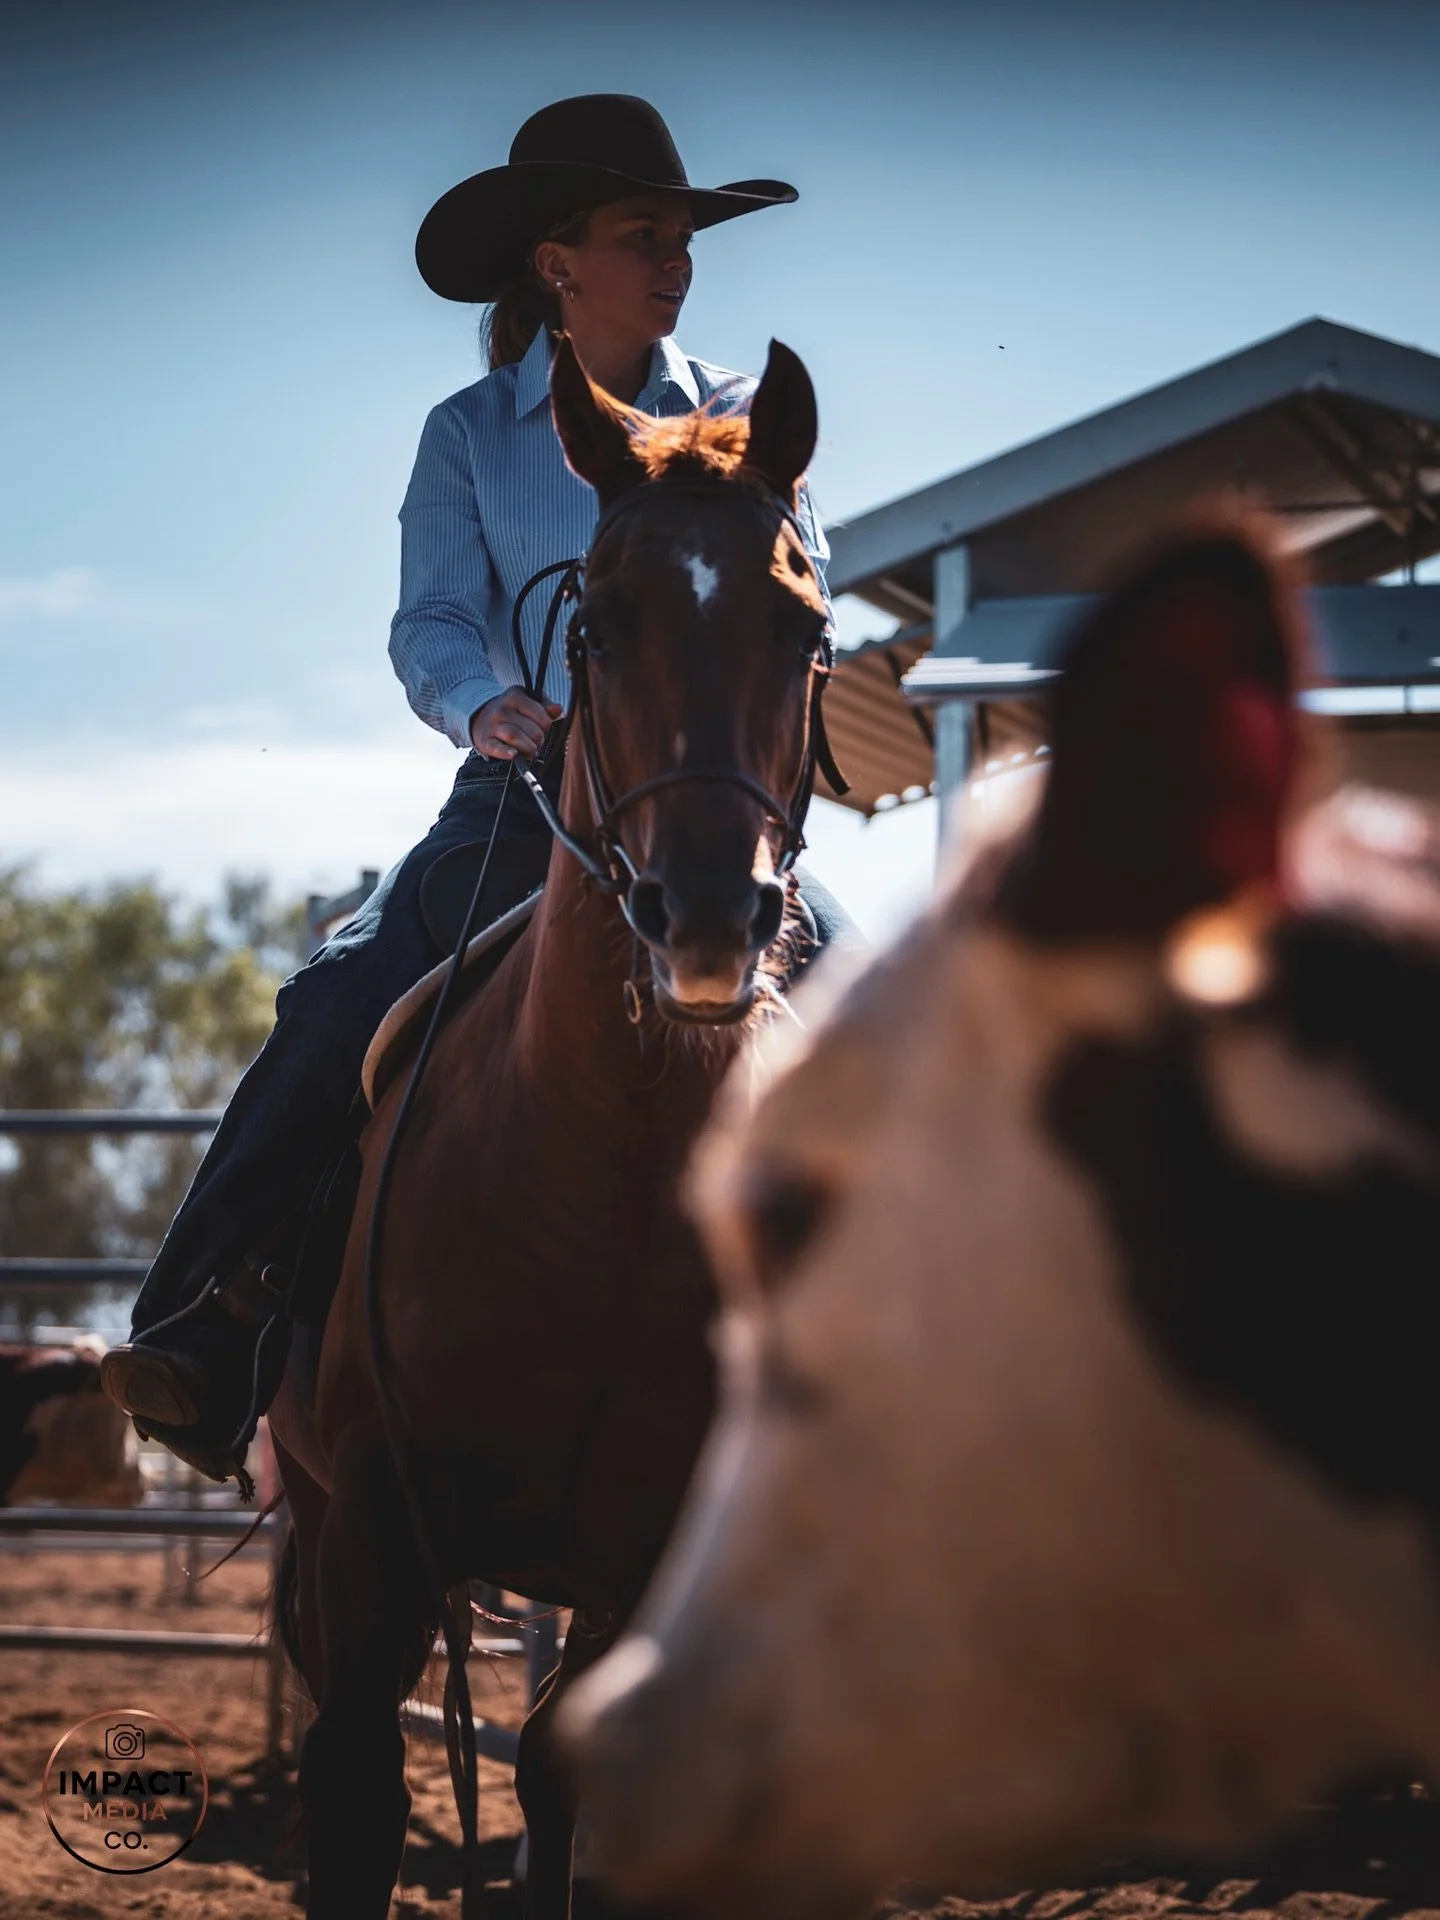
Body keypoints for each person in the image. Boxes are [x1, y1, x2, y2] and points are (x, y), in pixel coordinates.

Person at [100, 93, 854, 1487]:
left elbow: (806, 597)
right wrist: (483, 701)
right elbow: (429, 620)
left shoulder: (752, 421)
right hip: (526, 802)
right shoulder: (470, 433)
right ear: (556, 262)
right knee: (337, 997)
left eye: (684, 234)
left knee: (875, 1021)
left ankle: (895, 1385)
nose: (676, 258)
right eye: (644, 234)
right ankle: (208, 1331)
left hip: (711, 812)